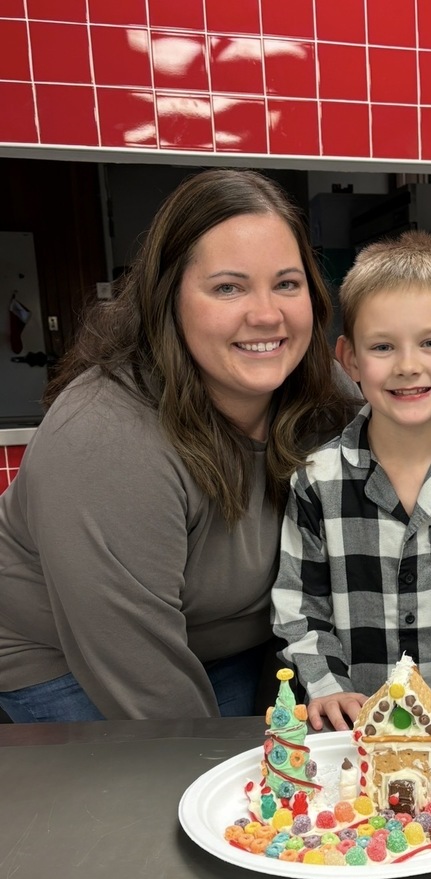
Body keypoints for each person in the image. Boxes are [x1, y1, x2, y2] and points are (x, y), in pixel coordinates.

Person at [0, 168, 360, 722]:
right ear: (167, 299)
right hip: (66, 659)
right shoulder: (104, 436)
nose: (267, 315)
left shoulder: (324, 395)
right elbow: (143, 678)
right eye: (228, 287)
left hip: (239, 646)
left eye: (287, 284)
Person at [271, 230, 431, 730]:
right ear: (350, 358)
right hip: (350, 735)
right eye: (383, 346)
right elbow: (299, 610)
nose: (408, 366)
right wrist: (328, 689)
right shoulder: (315, 480)